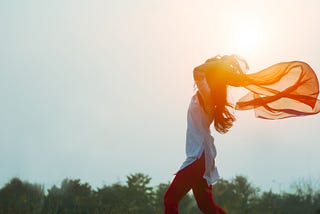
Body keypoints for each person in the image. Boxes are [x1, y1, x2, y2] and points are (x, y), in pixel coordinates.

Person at [163, 55, 320, 214]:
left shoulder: (207, 94)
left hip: (198, 156)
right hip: (201, 156)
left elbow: (197, 71)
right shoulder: (208, 95)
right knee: (207, 207)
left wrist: (218, 65)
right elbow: (200, 72)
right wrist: (218, 66)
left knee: (170, 199)